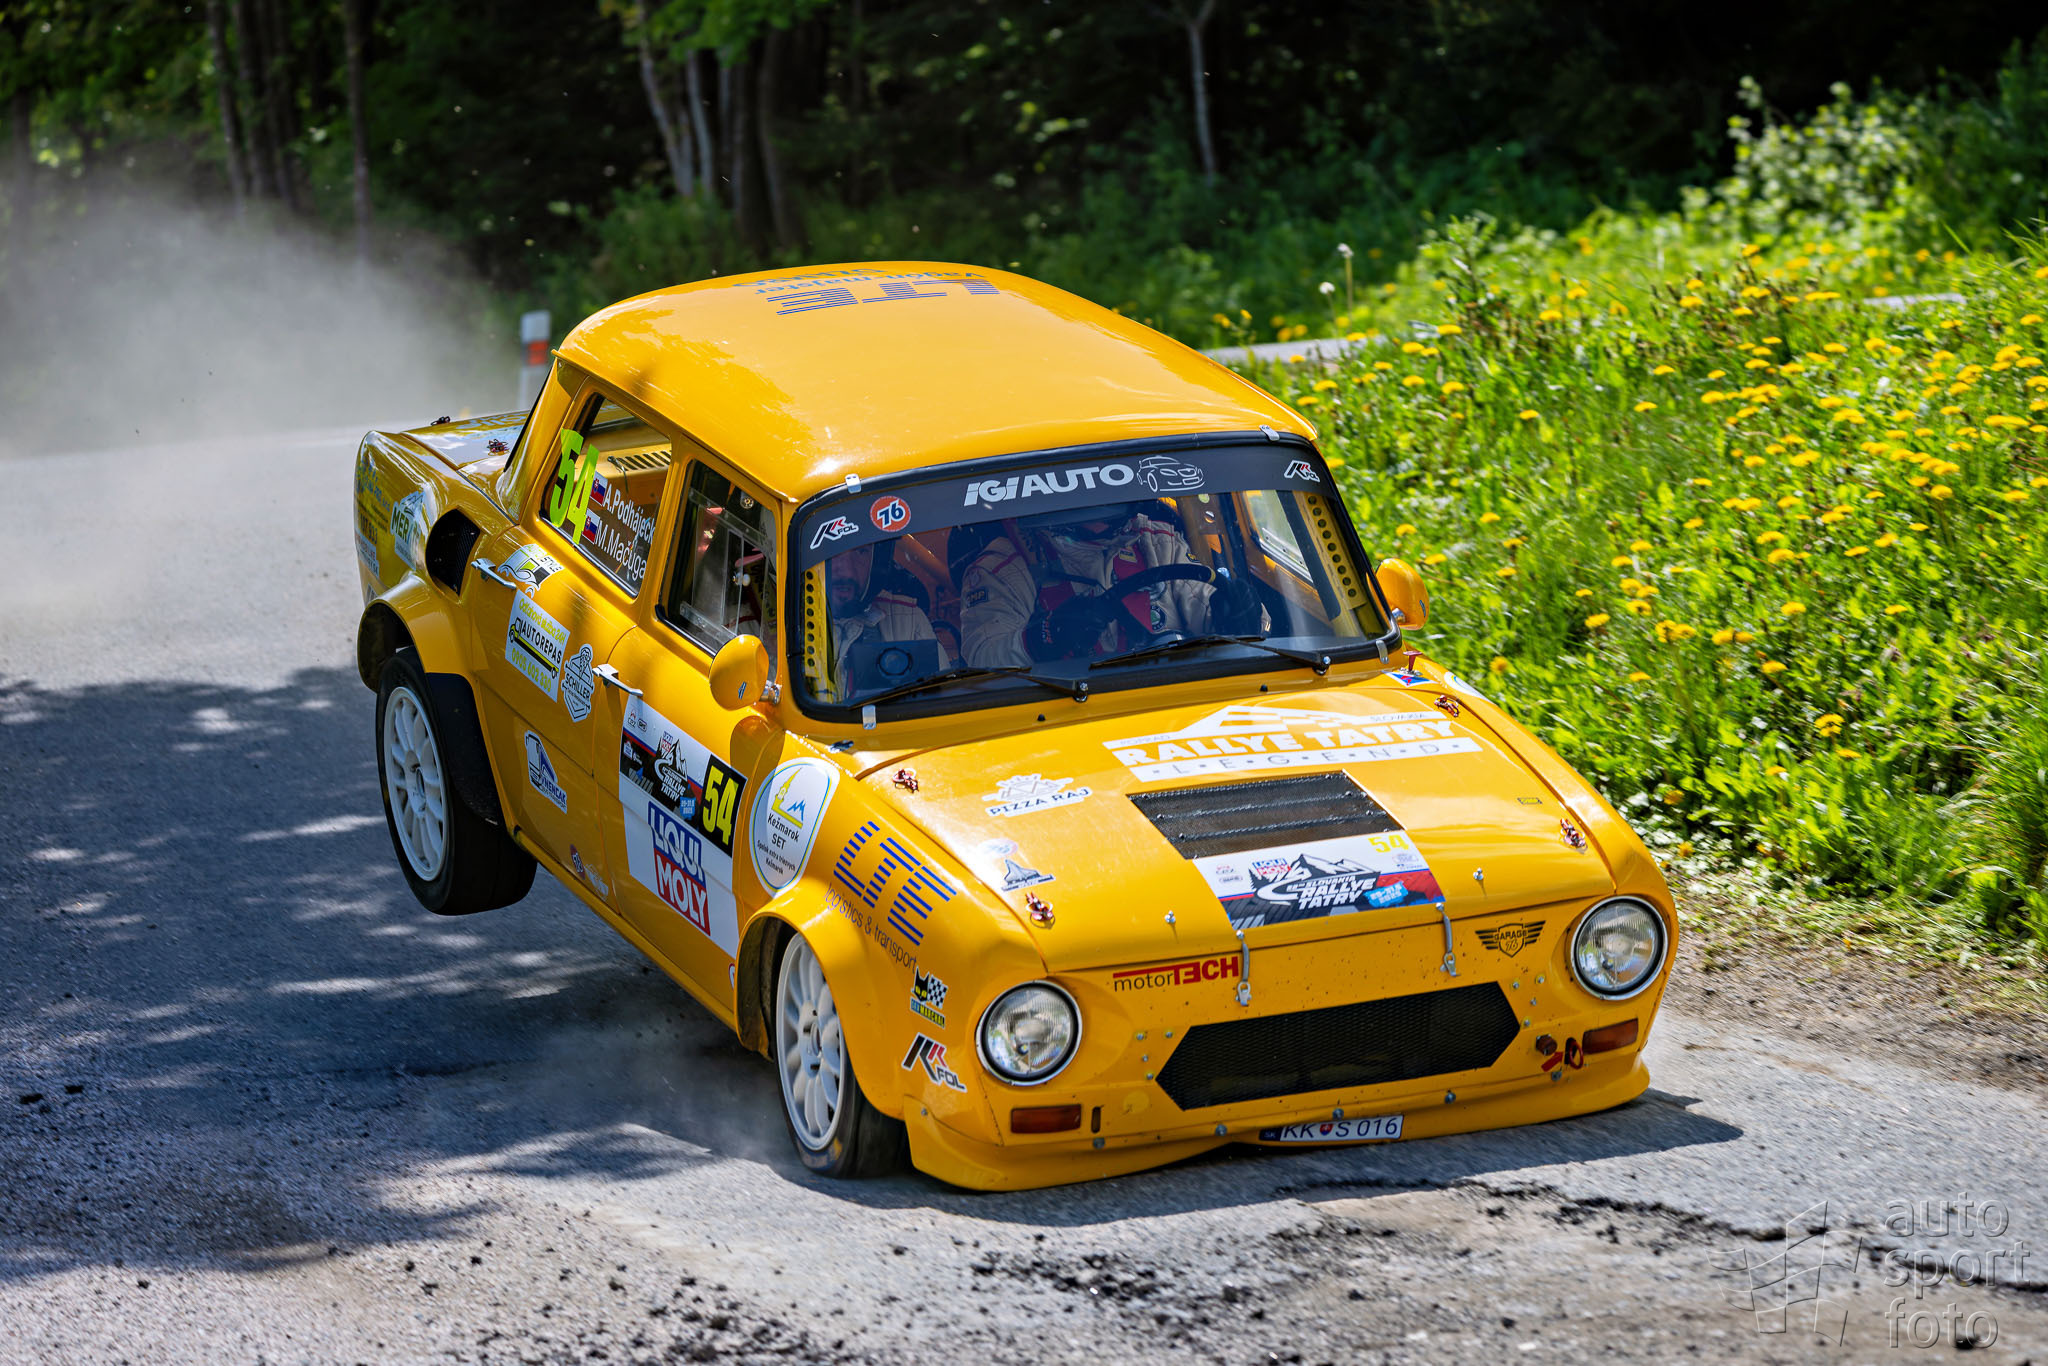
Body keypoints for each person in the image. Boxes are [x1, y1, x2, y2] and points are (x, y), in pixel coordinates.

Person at [958, 503, 1262, 668]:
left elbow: (1211, 612)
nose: (1095, 509)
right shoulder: (1005, 564)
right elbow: (982, 659)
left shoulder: (1157, 540)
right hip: (1064, 716)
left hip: (1174, 700)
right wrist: (1044, 637)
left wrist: (1239, 616)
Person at [826, 539, 949, 676]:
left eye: (861, 551)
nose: (848, 572)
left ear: (876, 559)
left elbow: (942, 687)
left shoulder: (910, 621)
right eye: (834, 551)